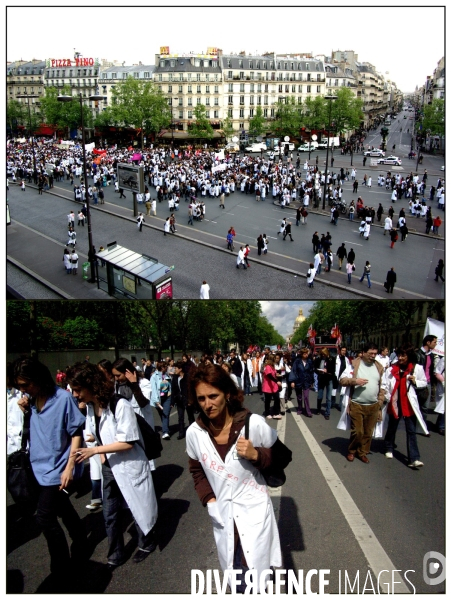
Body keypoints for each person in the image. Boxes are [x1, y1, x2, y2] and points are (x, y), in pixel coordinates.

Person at [185, 364, 282, 593]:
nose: (207, 405)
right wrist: (209, 500)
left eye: (213, 396)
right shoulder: (194, 434)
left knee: (256, 574)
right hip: (223, 514)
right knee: (236, 574)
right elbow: (196, 470)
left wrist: (256, 455)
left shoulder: (253, 424)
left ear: (227, 394)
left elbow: (282, 457)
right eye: (201, 399)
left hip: (254, 512)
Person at [66, 362, 158, 567]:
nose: (75, 395)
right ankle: (115, 554)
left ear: (90, 384)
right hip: (110, 467)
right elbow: (96, 433)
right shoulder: (91, 408)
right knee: (110, 514)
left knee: (138, 507)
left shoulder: (120, 404)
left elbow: (128, 441)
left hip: (129, 464)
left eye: (78, 390)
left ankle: (146, 543)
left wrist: (95, 450)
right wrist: (94, 440)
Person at [13, 358, 87, 581]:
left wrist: (70, 467)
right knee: (63, 507)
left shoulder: (63, 398)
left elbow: (76, 433)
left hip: (58, 469)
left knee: (45, 517)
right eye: (20, 386)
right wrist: (27, 410)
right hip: (37, 467)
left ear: (38, 379)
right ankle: (81, 538)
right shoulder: (33, 400)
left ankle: (61, 567)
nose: (22, 390)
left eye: (26, 385)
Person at [339, 343, 386, 463]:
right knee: (358, 431)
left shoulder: (378, 367)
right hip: (356, 404)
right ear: (364, 352)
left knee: (368, 432)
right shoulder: (354, 365)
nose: (373, 356)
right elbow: (342, 380)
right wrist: (355, 381)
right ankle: (352, 450)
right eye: (371, 353)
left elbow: (383, 386)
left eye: (375, 354)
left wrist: (380, 401)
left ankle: (362, 452)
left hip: (373, 405)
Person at [383, 345, 428, 467]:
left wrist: (415, 381)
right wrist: (386, 397)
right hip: (395, 402)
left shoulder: (416, 368)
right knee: (392, 427)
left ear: (409, 356)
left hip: (408, 404)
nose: (400, 358)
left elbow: (424, 382)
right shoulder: (391, 369)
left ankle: (414, 458)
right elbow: (385, 385)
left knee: (411, 431)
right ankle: (388, 447)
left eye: (403, 355)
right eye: (399, 355)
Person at [415, 335, 439, 428]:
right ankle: (414, 425)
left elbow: (430, 369)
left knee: (425, 407)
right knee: (416, 405)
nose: (436, 344)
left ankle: (422, 427)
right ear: (428, 342)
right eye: (434, 342)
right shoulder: (417, 354)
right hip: (417, 383)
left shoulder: (431, 355)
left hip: (427, 384)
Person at [171, 360, 194, 440]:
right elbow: (173, 390)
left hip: (187, 400)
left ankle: (193, 433)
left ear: (180, 369)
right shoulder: (174, 378)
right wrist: (172, 402)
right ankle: (181, 433)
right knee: (180, 417)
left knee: (190, 417)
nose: (175, 370)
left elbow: (191, 389)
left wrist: (191, 400)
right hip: (179, 400)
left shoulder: (188, 377)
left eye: (176, 368)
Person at [150, 361, 172, 440]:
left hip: (167, 397)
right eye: (166, 366)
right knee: (162, 415)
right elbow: (153, 389)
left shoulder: (166, 375)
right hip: (158, 399)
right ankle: (166, 428)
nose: (167, 368)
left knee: (165, 414)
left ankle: (165, 432)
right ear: (162, 367)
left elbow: (170, 387)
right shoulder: (154, 377)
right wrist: (157, 401)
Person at [289, 348, 314, 417]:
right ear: (302, 354)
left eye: (307, 354)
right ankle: (300, 409)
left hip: (307, 381)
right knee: (299, 397)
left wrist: (312, 381)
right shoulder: (297, 361)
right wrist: (292, 381)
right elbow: (293, 371)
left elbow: (311, 372)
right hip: (298, 380)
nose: (306, 355)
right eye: (304, 354)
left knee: (306, 396)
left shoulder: (309, 361)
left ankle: (308, 411)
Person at [314, 348, 335, 419]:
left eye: (324, 354)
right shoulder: (319, 359)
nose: (323, 355)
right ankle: (318, 409)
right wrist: (318, 371)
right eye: (321, 354)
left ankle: (327, 413)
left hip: (329, 379)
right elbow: (315, 367)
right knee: (319, 396)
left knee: (328, 398)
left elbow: (333, 370)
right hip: (321, 379)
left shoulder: (331, 359)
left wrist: (327, 371)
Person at [332, 346, 351, 410]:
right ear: (340, 351)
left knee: (342, 392)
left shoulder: (346, 359)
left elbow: (348, 369)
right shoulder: (335, 358)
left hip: (343, 378)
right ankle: (332, 403)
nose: (344, 352)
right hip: (336, 377)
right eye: (342, 350)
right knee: (333, 391)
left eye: (345, 351)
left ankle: (340, 405)